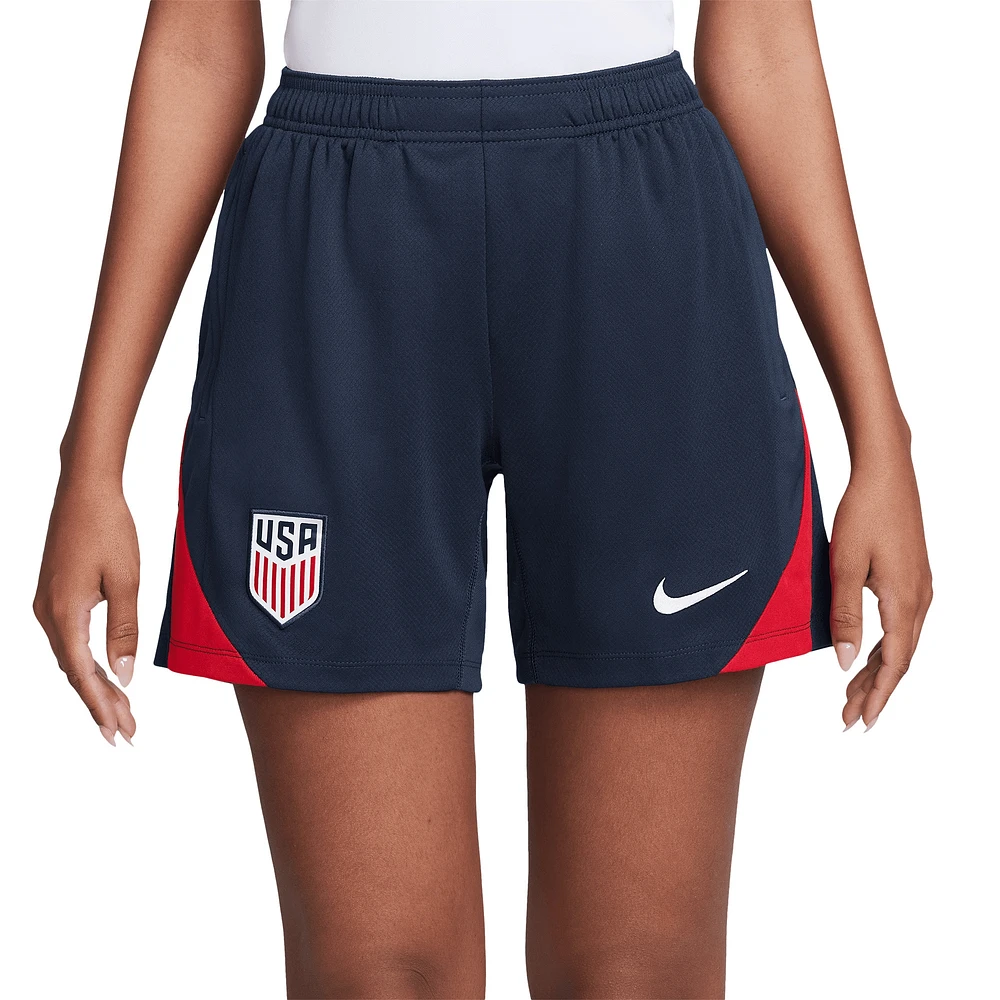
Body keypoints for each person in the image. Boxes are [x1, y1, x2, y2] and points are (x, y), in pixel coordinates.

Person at [33, 2, 932, 997]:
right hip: (337, 243)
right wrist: (92, 455)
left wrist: (879, 439)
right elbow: (200, 44)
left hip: (636, 242)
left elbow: (760, 41)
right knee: (377, 976)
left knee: (636, 976)